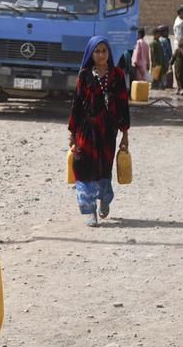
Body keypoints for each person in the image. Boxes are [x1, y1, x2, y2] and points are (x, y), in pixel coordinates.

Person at [67, 36, 130, 226]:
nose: (101, 55)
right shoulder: (84, 76)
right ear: (91, 54)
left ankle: (104, 199)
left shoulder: (117, 75)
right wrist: (72, 132)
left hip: (108, 130)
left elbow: (122, 104)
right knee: (84, 167)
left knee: (103, 167)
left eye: (104, 51)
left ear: (108, 53)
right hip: (86, 130)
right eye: (97, 51)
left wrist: (124, 132)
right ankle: (90, 210)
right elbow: (77, 105)